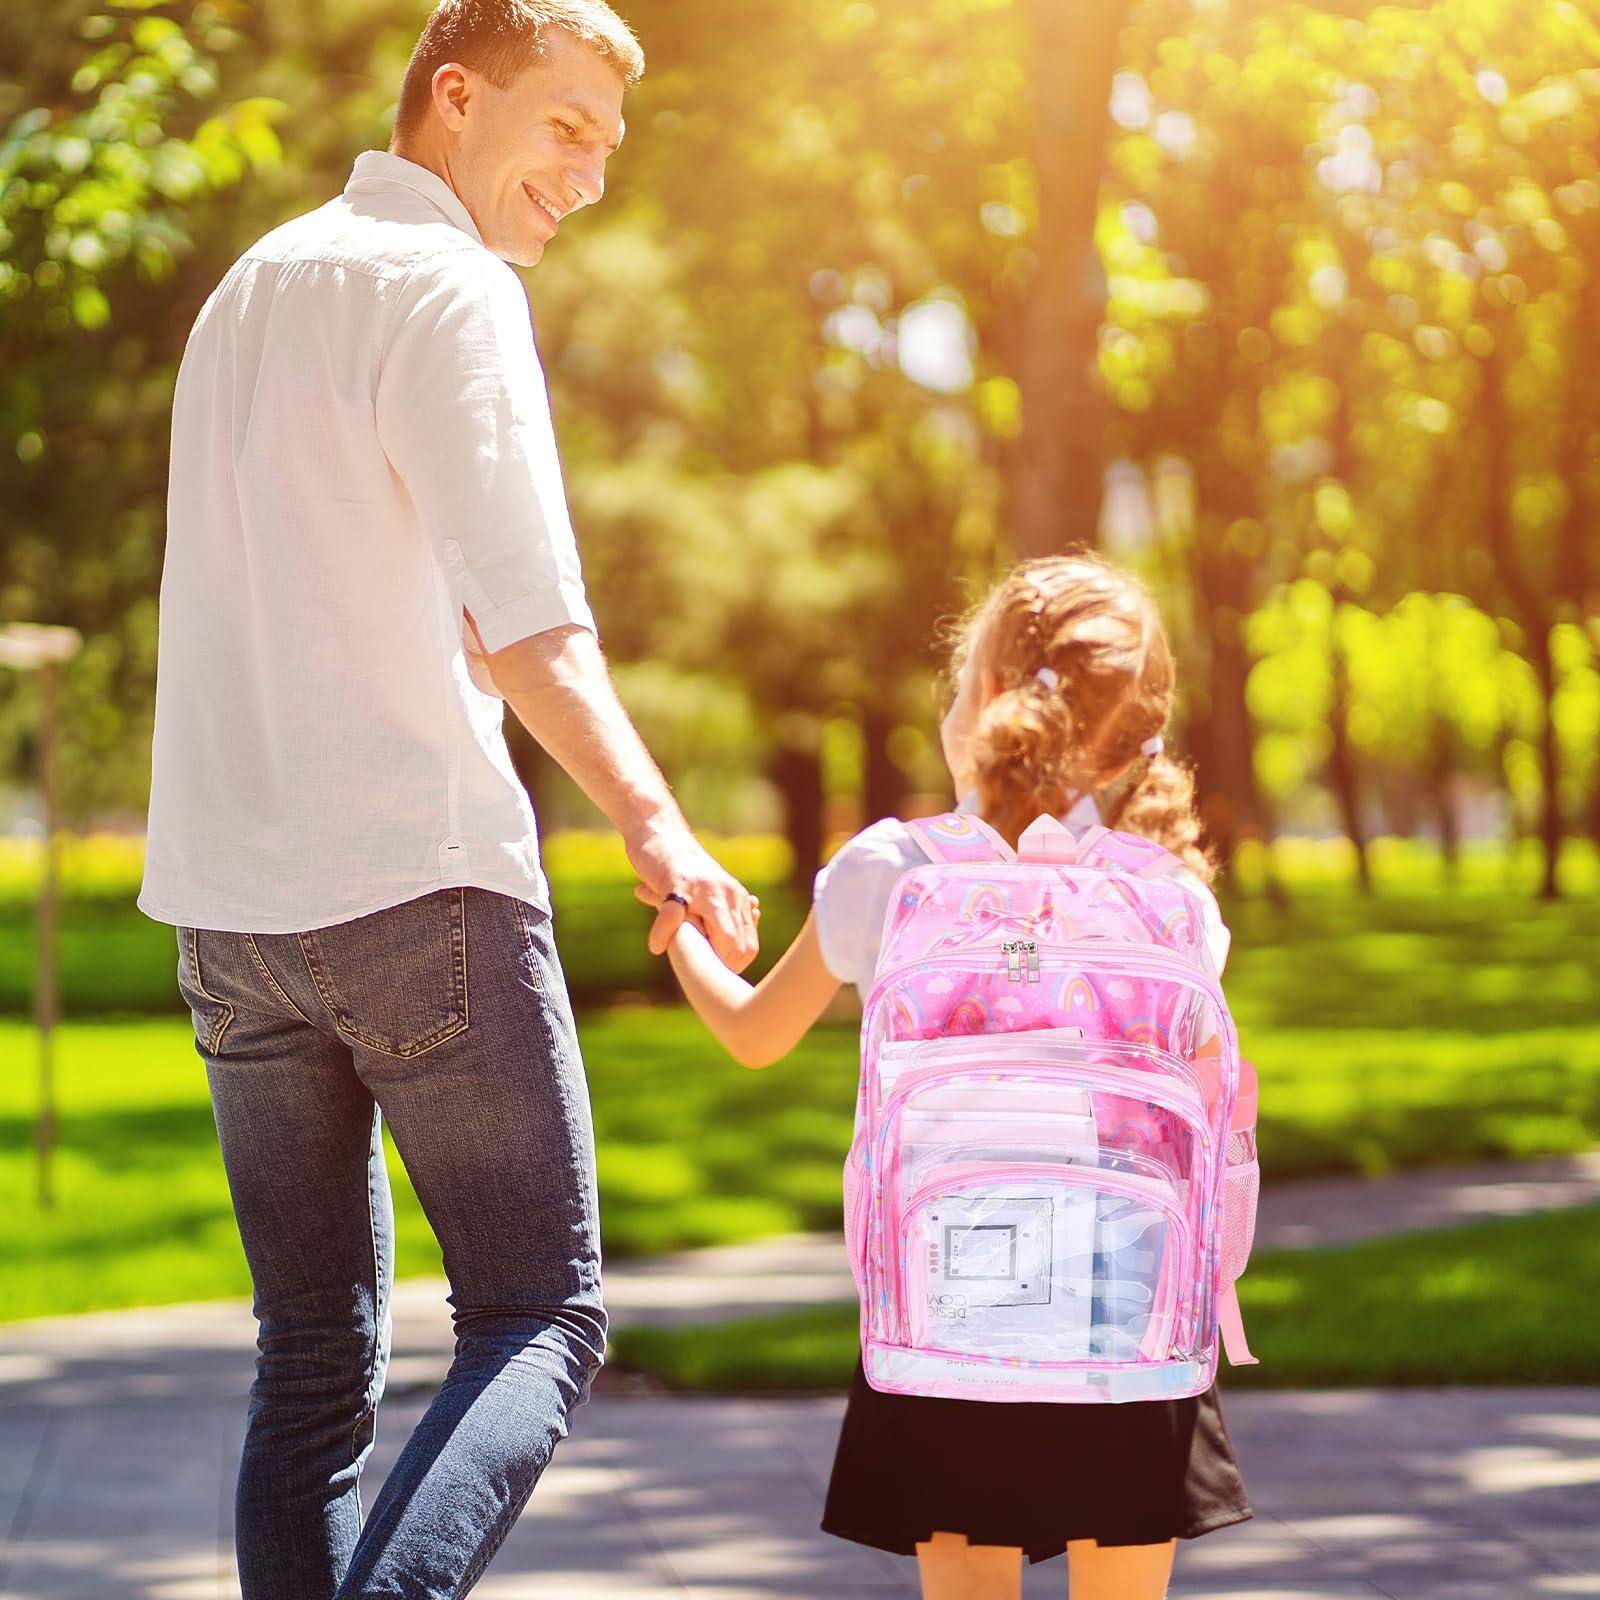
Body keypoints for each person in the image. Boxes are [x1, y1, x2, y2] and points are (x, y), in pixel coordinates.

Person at [138, 3, 758, 1596]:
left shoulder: (248, 289)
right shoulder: (449, 286)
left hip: (229, 914)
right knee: (538, 1313)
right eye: (566, 130)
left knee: (312, 1367)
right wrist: (656, 823)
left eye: (609, 151)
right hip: (417, 885)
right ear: (456, 97)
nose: (590, 177)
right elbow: (523, 623)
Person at [640, 552, 1252, 1600]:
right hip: (1130, 1315)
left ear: (982, 699)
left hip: (952, 1313)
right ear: (1134, 735)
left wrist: (684, 938)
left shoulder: (893, 870)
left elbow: (752, 1033)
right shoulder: (1173, 902)